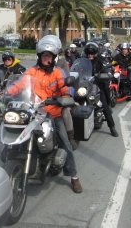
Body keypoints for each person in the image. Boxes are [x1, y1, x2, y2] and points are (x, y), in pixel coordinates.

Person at [7, 35, 83, 193]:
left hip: (52, 114)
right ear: (39, 57)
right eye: (43, 56)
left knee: (66, 144)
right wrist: (6, 93)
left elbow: (67, 89)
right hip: (33, 112)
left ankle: (74, 177)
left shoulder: (58, 73)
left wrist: (64, 98)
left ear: (54, 57)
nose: (46, 59)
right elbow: (20, 84)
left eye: (48, 56)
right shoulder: (32, 71)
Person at [83, 42, 119, 137]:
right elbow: (77, 69)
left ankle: (112, 127)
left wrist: (102, 75)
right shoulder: (82, 60)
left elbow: (105, 70)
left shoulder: (99, 60)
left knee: (104, 105)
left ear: (95, 53)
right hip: (84, 85)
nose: (90, 55)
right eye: (88, 53)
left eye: (92, 53)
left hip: (97, 85)